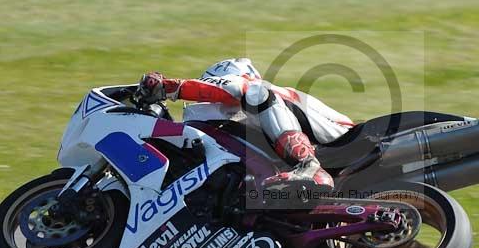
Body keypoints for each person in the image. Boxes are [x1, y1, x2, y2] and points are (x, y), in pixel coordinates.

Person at [136, 58, 355, 193]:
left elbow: (235, 89)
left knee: (256, 94)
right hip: (336, 152)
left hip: (344, 142)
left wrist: (170, 87)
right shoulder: (265, 123)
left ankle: (309, 166)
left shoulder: (254, 87)